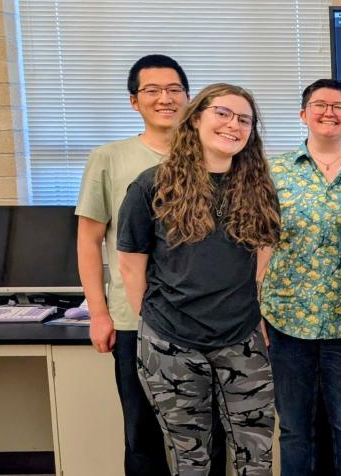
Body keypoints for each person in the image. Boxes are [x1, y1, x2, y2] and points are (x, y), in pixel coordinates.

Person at [75, 54, 231, 476]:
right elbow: (89, 240)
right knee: (142, 432)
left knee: (209, 434)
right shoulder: (109, 158)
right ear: (134, 101)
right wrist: (99, 313)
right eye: (153, 90)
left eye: (175, 90)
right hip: (136, 322)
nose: (166, 98)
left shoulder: (216, 156)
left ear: (189, 99)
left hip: (207, 324)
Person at [118, 83, 279, 474]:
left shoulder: (259, 189)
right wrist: (159, 324)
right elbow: (131, 266)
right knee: (190, 459)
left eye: (244, 120)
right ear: (195, 119)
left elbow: (263, 252)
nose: (233, 125)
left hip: (241, 340)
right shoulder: (151, 186)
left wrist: (252, 305)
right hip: (171, 344)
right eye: (222, 113)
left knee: (256, 456)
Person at [258, 79, 341, 475]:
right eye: (319, 105)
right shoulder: (273, 172)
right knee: (295, 429)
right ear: (303, 114)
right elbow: (259, 243)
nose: (329, 112)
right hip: (285, 321)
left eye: (338, 106)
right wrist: (253, 306)